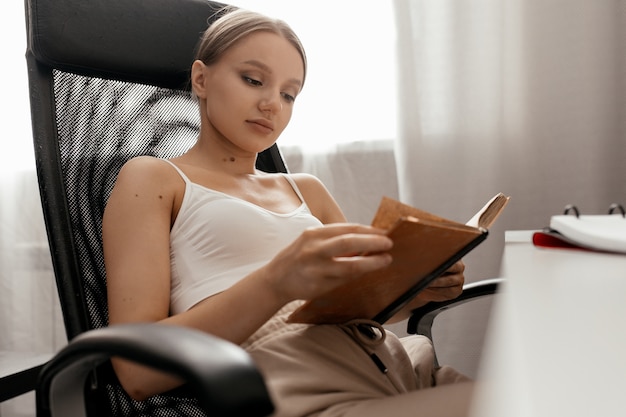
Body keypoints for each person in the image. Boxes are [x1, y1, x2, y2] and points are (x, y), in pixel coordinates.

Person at [102, 6, 474, 417]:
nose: (271, 104)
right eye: (253, 80)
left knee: (544, 390)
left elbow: (360, 306)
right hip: (307, 389)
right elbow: (137, 372)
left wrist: (415, 289)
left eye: (288, 94)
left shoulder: (307, 189)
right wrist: (277, 282)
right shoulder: (154, 178)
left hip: (402, 366)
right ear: (202, 79)